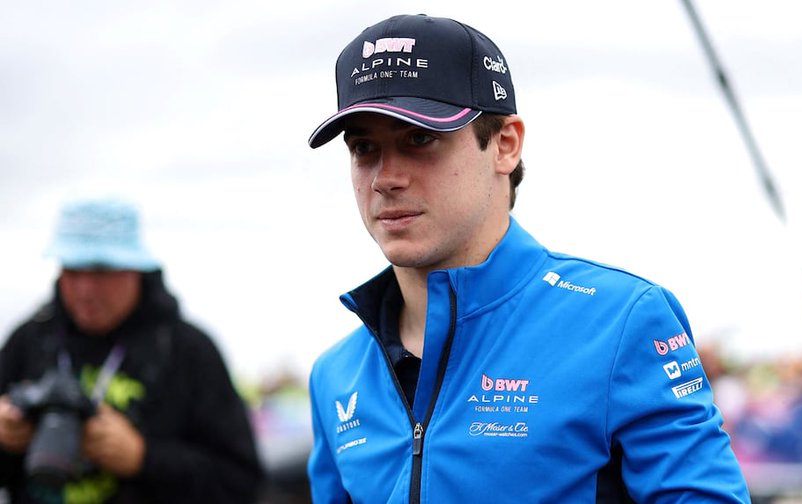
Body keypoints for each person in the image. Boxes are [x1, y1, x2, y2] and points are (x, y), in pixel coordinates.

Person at [303, 13, 750, 502]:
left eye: (419, 139)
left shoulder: (619, 321)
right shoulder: (336, 374)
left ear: (505, 144)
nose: (386, 178)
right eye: (364, 147)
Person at [0, 196, 263, 504]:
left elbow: (241, 484)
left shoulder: (188, 350)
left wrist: (144, 459)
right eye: (72, 269)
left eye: (101, 270)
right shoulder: (28, 340)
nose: (85, 289)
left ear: (136, 269)